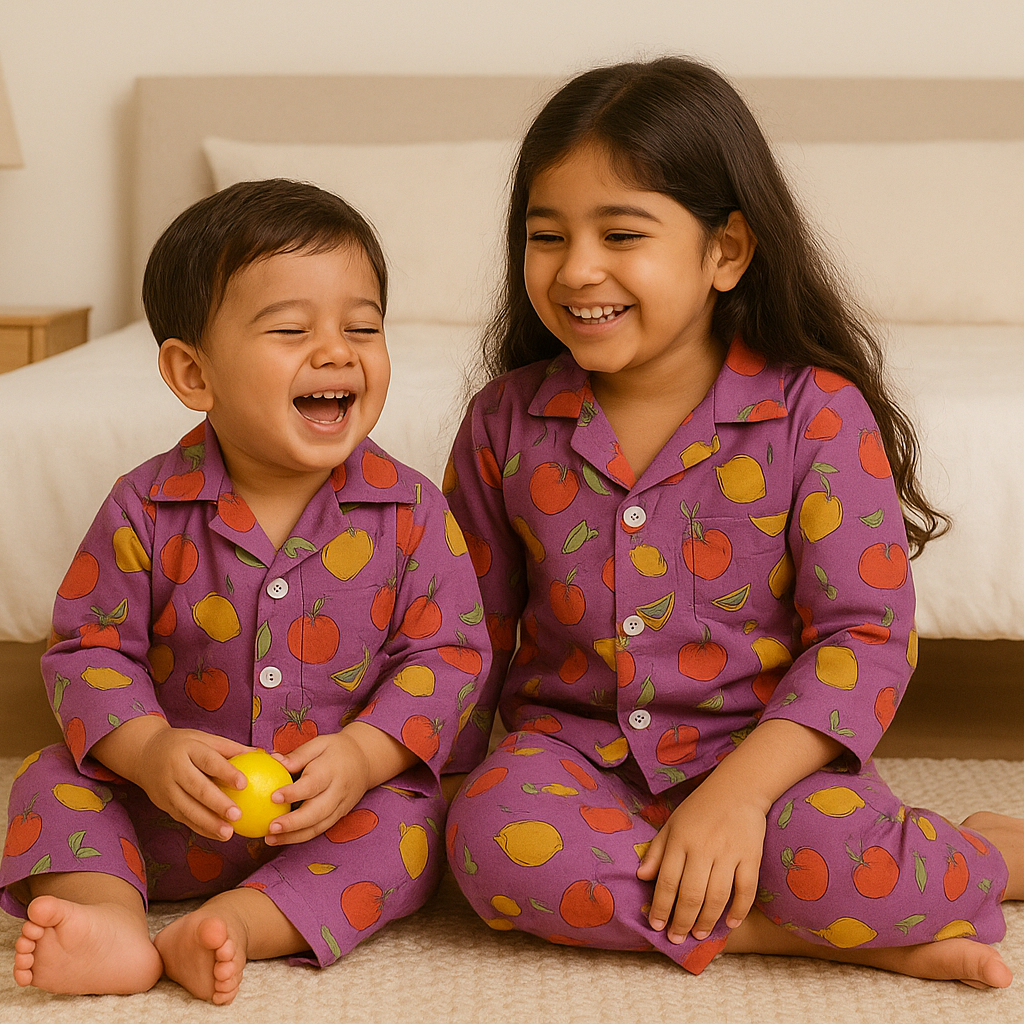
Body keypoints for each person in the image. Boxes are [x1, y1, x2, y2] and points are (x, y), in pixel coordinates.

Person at [441, 56, 1022, 987]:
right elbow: (466, 632)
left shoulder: (815, 414)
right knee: (487, 851)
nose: (576, 268)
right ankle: (786, 939)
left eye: (621, 233)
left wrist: (738, 800)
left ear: (727, 251)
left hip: (769, 758)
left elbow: (866, 637)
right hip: (571, 756)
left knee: (846, 873)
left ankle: (994, 857)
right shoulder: (503, 423)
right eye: (546, 236)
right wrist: (436, 779)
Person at [0, 178, 490, 1004]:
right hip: (172, 811)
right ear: (193, 372)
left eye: (363, 327)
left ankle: (241, 921)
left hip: (337, 811)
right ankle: (109, 918)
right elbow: (88, 647)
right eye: (292, 329)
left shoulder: (410, 511)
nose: (337, 351)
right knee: (48, 782)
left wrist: (365, 755)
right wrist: (150, 752)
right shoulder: (144, 507)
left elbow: (448, 656)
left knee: (415, 829)